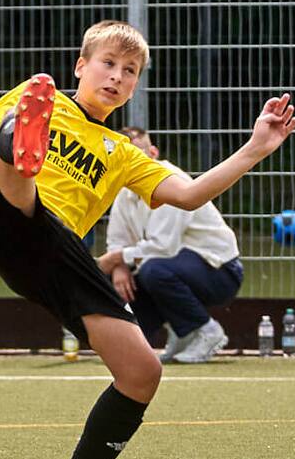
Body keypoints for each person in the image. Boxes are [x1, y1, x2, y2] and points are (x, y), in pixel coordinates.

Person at [0, 20, 295, 459]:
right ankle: (19, 147)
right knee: (9, 152)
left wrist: (254, 149)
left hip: (59, 260)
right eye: (108, 64)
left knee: (143, 371)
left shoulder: (121, 151)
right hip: (10, 220)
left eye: (130, 72)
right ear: (82, 66)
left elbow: (190, 195)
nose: (118, 77)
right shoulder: (42, 95)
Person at [97, 127, 244, 364]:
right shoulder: (123, 191)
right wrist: (118, 267)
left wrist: (116, 259)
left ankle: (207, 331)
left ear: (153, 153)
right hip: (175, 268)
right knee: (116, 278)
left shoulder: (169, 180)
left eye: (135, 155)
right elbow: (117, 240)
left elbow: (163, 248)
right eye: (121, 156)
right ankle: (177, 333)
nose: (128, 163)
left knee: (152, 270)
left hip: (220, 272)